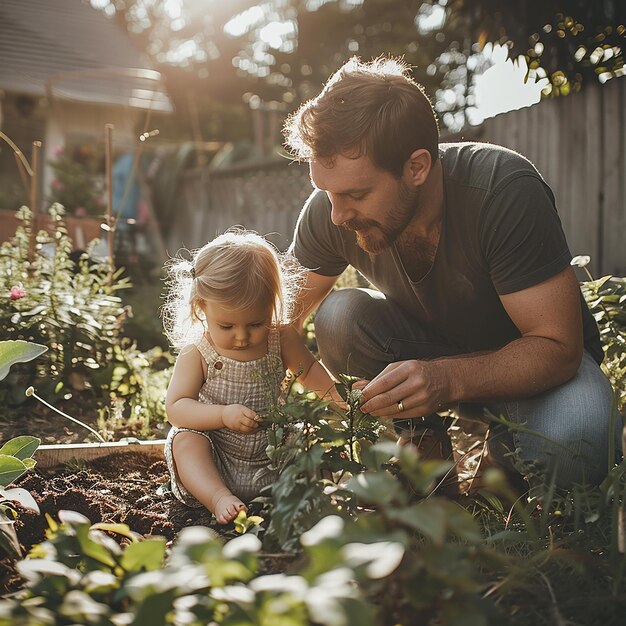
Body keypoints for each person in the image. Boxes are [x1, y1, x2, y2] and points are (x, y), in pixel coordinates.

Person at [282, 56, 621, 493]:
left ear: (417, 167)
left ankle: (502, 456)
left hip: (537, 371)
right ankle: (430, 465)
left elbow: (557, 347)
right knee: (339, 315)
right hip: (433, 353)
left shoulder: (503, 189)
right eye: (326, 192)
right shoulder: (333, 212)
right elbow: (276, 316)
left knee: (580, 439)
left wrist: (445, 379)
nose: (338, 214)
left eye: (356, 193)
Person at [162, 229, 339, 523]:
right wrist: (222, 415)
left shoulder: (279, 339)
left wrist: (339, 397)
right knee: (186, 442)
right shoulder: (198, 352)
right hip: (216, 457)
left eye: (256, 323)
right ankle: (218, 498)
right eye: (227, 326)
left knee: (309, 443)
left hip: (273, 451)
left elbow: (309, 372)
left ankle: (302, 498)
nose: (242, 336)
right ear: (201, 307)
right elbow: (176, 408)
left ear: (273, 304)